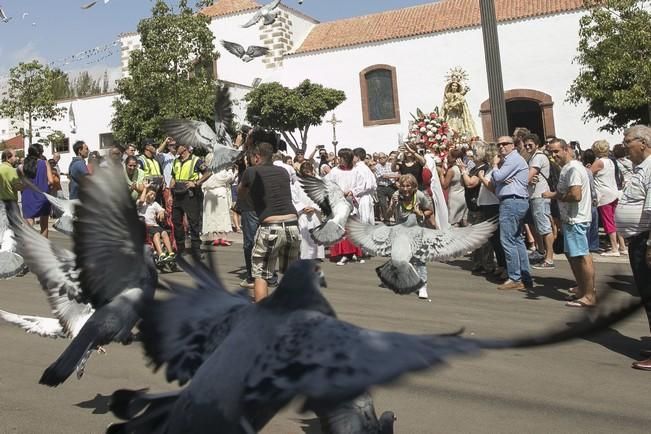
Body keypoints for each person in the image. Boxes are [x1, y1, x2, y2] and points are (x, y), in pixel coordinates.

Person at [239, 141, 300, 302]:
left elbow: (241, 192)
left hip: (270, 226)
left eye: (251, 157)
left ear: (257, 157)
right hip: (293, 224)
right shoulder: (283, 171)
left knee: (261, 274)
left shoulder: (251, 172)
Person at [614, 125, 651, 370]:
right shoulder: (640, 169)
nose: (625, 146)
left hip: (646, 241)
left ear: (643, 143)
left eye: (628, 142)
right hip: (638, 240)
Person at [543, 138, 595, 308]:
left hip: (576, 218)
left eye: (556, 151)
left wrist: (556, 196)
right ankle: (582, 289)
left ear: (566, 149)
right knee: (573, 256)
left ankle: (589, 295)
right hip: (571, 219)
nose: (553, 155)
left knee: (580, 256)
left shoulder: (573, 168)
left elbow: (575, 195)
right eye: (551, 152)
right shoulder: (568, 168)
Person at [479, 136, 532, 290]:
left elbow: (498, 177)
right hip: (514, 201)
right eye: (499, 144)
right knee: (517, 240)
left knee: (508, 240)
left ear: (513, 146)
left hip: (512, 201)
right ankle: (524, 276)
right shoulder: (510, 160)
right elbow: (497, 182)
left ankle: (515, 277)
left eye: (505, 144)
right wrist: (500, 177)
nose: (501, 147)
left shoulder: (512, 159)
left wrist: (496, 167)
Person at [387, 174, 434, 300]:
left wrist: (420, 213)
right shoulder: (396, 195)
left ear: (414, 187)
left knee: (419, 259)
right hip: (401, 232)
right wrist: (392, 206)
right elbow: (388, 215)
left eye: (408, 186)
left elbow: (430, 210)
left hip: (417, 231)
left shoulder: (419, 195)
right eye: (403, 186)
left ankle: (423, 285)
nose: (405, 189)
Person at [170, 143, 212, 260]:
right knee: (176, 221)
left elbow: (208, 172)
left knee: (194, 222)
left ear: (183, 147)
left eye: (176, 146)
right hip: (177, 194)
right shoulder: (176, 161)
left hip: (191, 195)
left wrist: (197, 183)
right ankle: (180, 249)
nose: (174, 148)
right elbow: (173, 177)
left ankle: (196, 250)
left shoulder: (196, 160)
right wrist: (170, 191)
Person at [326, 148, 363, 265]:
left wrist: (352, 191)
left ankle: (353, 252)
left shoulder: (356, 171)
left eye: (342, 157)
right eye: (339, 157)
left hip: (351, 202)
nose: (340, 159)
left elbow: (361, 185)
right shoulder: (334, 171)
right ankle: (343, 254)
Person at [591, 140, 626, 256]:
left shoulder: (599, 162)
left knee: (608, 221)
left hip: (604, 194)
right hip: (614, 191)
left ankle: (614, 248)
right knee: (615, 220)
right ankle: (622, 246)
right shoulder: (611, 161)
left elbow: (588, 173)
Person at [526, 133, 555, 270]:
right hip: (536, 195)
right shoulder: (534, 157)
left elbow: (528, 176)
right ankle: (541, 252)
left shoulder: (538, 158)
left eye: (530, 144)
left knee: (544, 228)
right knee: (539, 227)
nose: (527, 147)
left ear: (537, 144)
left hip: (540, 196)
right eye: (525, 144)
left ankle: (549, 258)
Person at [294, 161, 325, 260]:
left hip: (315, 212)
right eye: (304, 171)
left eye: (308, 171)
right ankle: (305, 255)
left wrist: (314, 207)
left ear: (312, 171)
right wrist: (303, 207)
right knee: (304, 233)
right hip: (303, 212)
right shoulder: (297, 183)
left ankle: (317, 255)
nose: (307, 173)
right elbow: (294, 198)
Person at [20, 144, 53, 237]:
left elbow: (22, 182)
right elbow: (51, 181)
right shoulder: (44, 163)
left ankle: (29, 248)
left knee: (29, 225)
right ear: (39, 153)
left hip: (27, 196)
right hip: (42, 196)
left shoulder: (23, 165)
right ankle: (43, 249)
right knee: (44, 226)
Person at [201, 161, 236, 247]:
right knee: (222, 215)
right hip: (220, 193)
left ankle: (215, 237)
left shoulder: (206, 170)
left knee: (212, 216)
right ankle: (223, 237)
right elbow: (229, 178)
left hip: (209, 193)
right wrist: (231, 170)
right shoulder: (222, 170)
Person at [137, 183, 175, 262]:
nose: (153, 197)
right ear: (145, 194)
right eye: (151, 194)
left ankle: (170, 253)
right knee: (157, 234)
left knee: (164, 233)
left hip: (155, 225)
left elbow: (163, 211)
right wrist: (145, 189)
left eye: (154, 195)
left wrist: (162, 212)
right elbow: (141, 200)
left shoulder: (154, 204)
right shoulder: (141, 203)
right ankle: (161, 254)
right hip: (146, 226)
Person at [440, 148, 467, 226]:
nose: (447, 158)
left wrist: (441, 174)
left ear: (454, 158)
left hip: (454, 197)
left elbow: (444, 185)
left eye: (449, 156)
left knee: (454, 221)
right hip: (463, 195)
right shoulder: (464, 168)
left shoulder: (451, 170)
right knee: (463, 220)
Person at [351, 148, 377, 225]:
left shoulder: (360, 168)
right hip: (363, 197)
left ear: (357, 157)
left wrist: (352, 192)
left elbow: (367, 186)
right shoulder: (364, 168)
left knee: (364, 221)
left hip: (363, 198)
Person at [374, 152, 398, 224]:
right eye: (380, 158)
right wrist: (394, 175)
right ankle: (386, 219)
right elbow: (384, 176)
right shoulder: (376, 167)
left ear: (386, 157)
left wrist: (394, 175)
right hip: (381, 187)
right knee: (383, 204)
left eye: (383, 157)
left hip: (391, 186)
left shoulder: (390, 165)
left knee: (395, 202)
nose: (382, 159)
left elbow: (396, 174)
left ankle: (397, 219)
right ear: (378, 159)